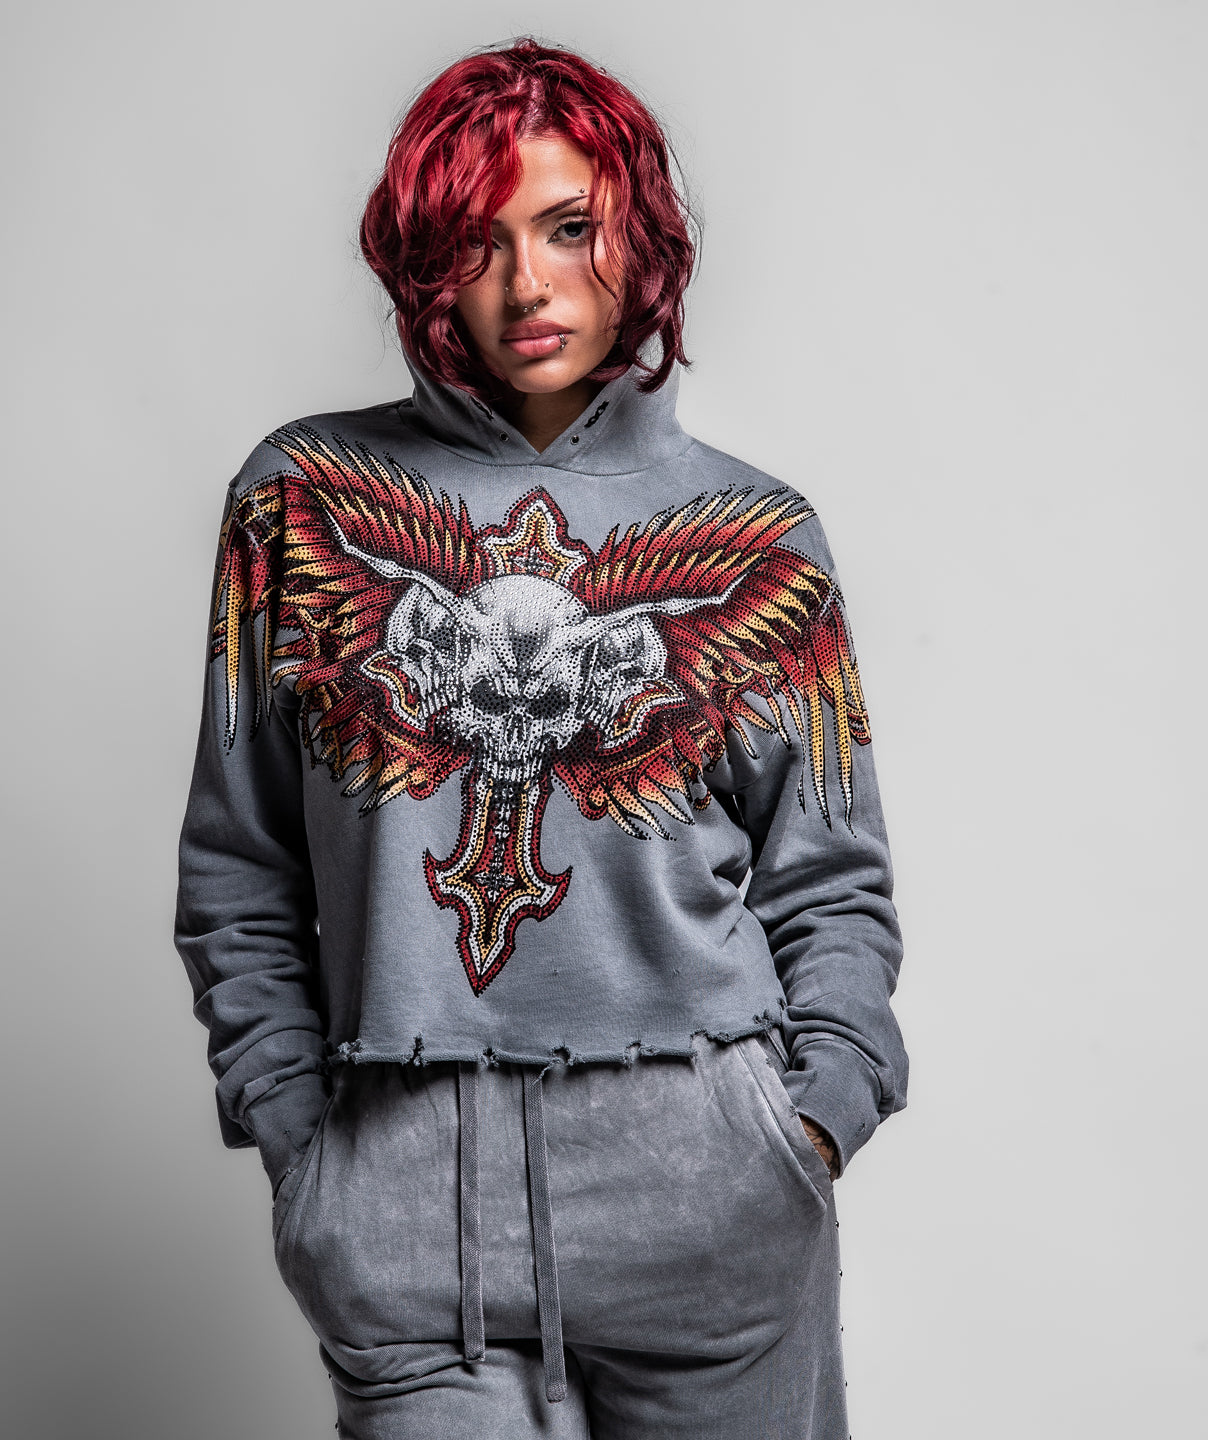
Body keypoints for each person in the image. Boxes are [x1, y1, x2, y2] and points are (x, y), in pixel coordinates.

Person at [175, 36, 907, 1440]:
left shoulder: (759, 539)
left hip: (709, 1204)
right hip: (401, 1205)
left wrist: (803, 1131)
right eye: (480, 240)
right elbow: (239, 862)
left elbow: (833, 885)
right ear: (424, 264)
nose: (528, 285)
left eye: (571, 227)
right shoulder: (301, 502)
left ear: (643, 236)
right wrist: (304, 1153)